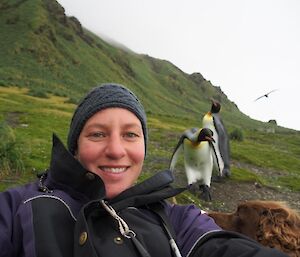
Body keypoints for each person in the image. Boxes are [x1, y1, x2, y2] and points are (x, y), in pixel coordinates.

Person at [0, 83, 289, 257]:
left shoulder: (177, 220)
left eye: (130, 135)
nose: (115, 150)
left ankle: (205, 183)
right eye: (97, 134)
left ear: (144, 148)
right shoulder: (18, 209)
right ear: (75, 146)